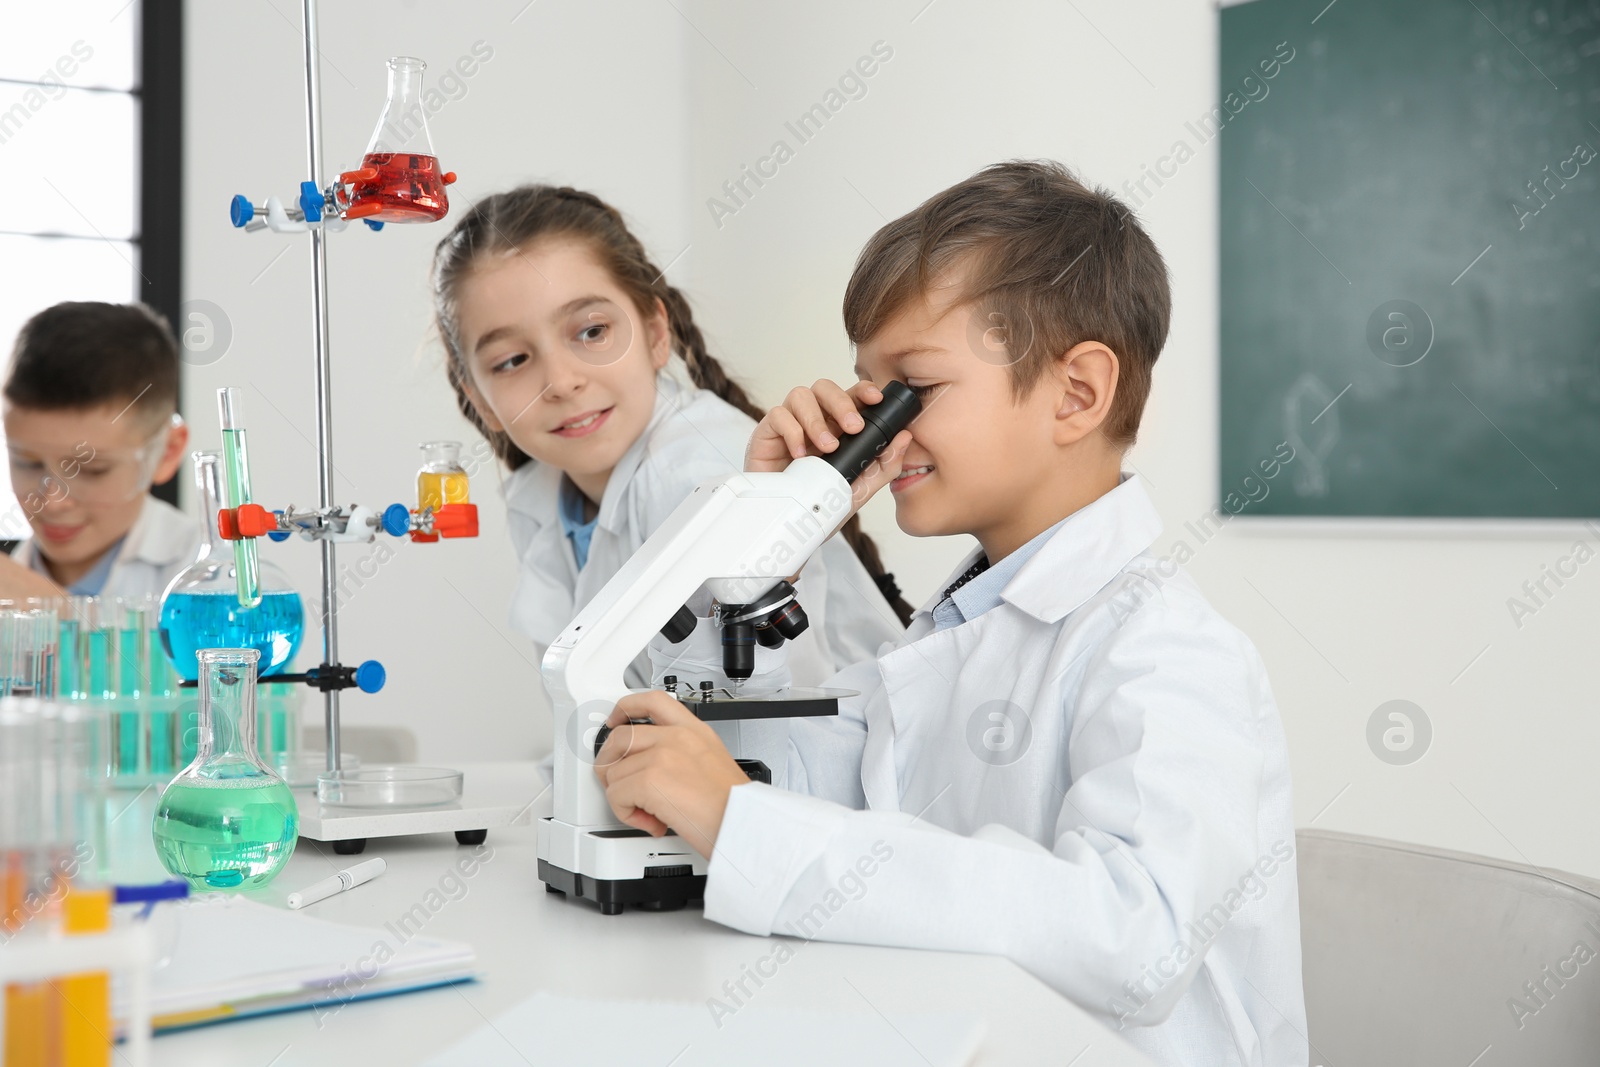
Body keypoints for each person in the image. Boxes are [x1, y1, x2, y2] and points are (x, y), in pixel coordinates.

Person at [591, 162, 1307, 1065]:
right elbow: (761, 781)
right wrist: (761, 536)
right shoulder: (955, 630)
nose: (873, 430)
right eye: (867, 391)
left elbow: (1138, 941)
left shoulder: (1167, 651)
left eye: (912, 390)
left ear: (1077, 394)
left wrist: (746, 822)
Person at [431, 185, 909, 777]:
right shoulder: (541, 493)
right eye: (512, 361)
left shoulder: (691, 473)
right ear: (477, 398)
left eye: (590, 332)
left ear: (657, 334)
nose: (560, 380)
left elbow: (779, 720)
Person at [1, 302, 195, 601]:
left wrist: (55, 611)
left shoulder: (214, 580)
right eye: (28, 463)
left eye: (91, 469)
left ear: (167, 452)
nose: (52, 502)